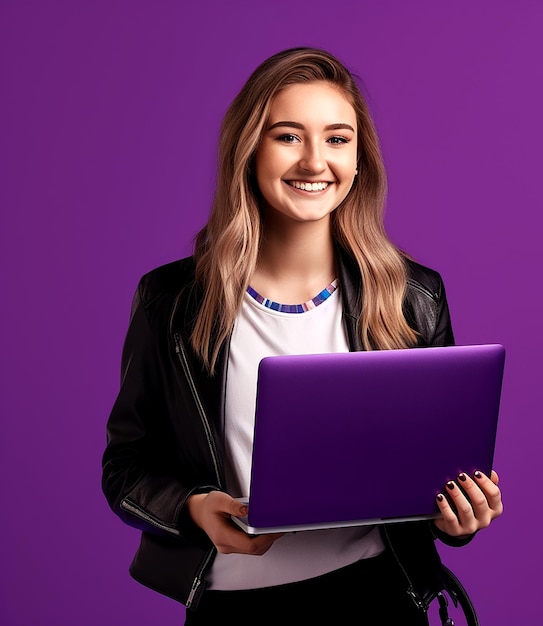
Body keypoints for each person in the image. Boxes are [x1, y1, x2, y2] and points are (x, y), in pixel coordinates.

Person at [102, 47, 503, 624]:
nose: (316, 161)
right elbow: (126, 467)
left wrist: (456, 516)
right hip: (234, 610)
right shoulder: (171, 302)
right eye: (288, 136)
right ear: (249, 152)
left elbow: (429, 480)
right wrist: (192, 508)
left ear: (360, 159)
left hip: (380, 600)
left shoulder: (415, 295)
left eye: (338, 139)